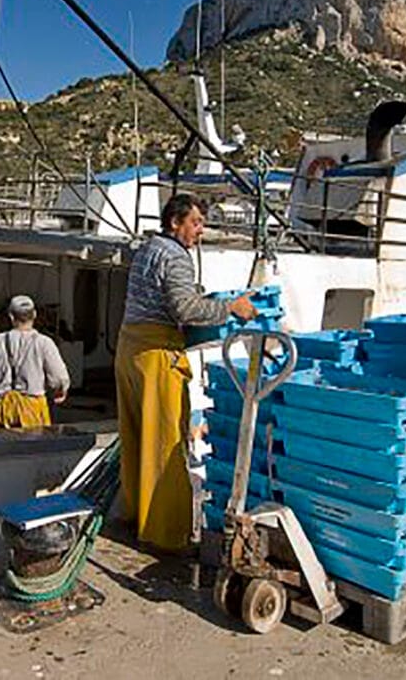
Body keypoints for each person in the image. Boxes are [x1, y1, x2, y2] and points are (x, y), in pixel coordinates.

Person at [116, 193, 257, 553]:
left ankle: (136, 518)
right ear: (175, 222)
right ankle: (166, 534)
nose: (200, 230)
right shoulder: (176, 256)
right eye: (195, 223)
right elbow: (185, 308)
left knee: (136, 440)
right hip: (156, 356)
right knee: (166, 444)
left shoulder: (147, 248)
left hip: (129, 348)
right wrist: (231, 308)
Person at [0, 295, 71, 429]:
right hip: (33, 406)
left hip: (4, 405)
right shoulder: (44, 343)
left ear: (11, 316)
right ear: (34, 315)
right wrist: (61, 389)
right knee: (32, 446)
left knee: (4, 445)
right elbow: (59, 376)